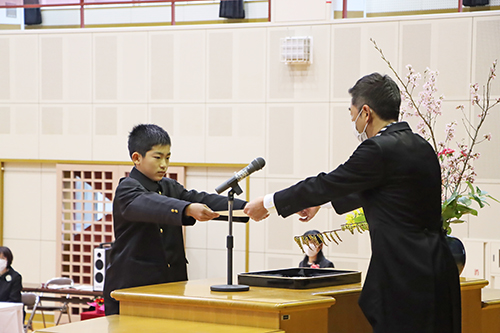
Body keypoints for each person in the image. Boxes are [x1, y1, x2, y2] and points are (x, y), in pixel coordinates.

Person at [244, 73, 461, 333]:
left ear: (366, 112)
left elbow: (326, 183)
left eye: (352, 114)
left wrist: (269, 202)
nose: (353, 122)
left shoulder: (377, 149)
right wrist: (319, 204)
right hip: (439, 269)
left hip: (404, 275)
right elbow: (381, 189)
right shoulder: (420, 145)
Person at [104, 124, 249, 315]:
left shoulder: (169, 186)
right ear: (137, 158)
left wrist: (248, 208)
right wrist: (187, 209)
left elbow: (201, 199)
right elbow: (151, 204)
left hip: (171, 284)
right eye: (157, 157)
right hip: (132, 289)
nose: (164, 164)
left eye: (168, 157)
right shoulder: (127, 189)